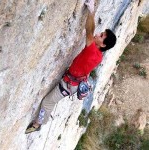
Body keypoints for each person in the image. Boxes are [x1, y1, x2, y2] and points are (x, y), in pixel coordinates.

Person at [25, 0, 117, 134]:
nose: (98, 34)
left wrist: (91, 11)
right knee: (49, 101)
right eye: (101, 33)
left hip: (68, 85)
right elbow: (91, 33)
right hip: (73, 82)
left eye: (101, 36)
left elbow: (89, 31)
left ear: (103, 45)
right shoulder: (98, 55)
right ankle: (39, 122)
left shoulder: (93, 51)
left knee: (47, 103)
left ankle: (38, 123)